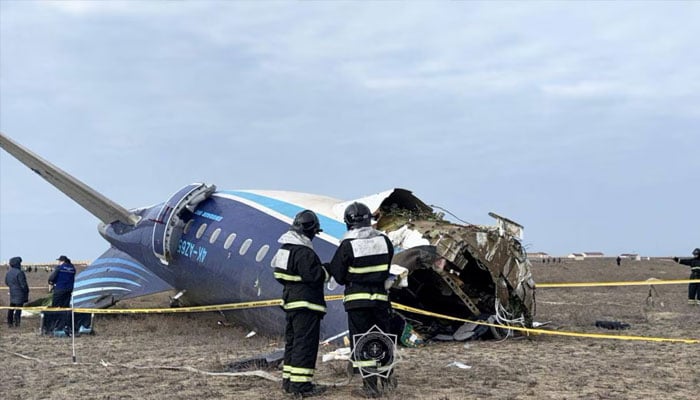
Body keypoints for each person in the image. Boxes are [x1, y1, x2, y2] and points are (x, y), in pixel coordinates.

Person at [328, 202, 396, 398]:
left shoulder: (348, 245)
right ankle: (388, 378)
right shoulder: (384, 241)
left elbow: (338, 275)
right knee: (383, 338)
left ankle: (370, 387)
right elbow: (386, 267)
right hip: (381, 300)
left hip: (358, 302)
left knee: (363, 342)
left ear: (348, 222)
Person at [271, 210, 328, 398]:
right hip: (306, 305)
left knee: (293, 343)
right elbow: (315, 277)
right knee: (305, 344)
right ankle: (301, 386)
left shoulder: (284, 249)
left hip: (290, 303)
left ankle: (289, 382)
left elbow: (278, 275)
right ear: (309, 231)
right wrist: (326, 270)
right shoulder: (304, 252)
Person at [5, 256, 29, 328]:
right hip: (20, 294)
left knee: (11, 308)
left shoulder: (8, 273)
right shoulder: (20, 272)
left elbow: (6, 282)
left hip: (12, 293)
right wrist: (26, 291)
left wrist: (12, 286)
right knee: (18, 310)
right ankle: (17, 323)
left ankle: (10, 322)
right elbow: (23, 284)